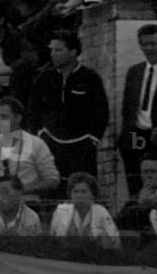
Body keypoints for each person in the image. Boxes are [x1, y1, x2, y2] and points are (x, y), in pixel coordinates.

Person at [27, 30, 109, 190]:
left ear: (73, 52)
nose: (52, 54)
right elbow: (33, 111)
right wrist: (39, 134)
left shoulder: (90, 78)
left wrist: (92, 139)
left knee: (83, 190)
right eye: (51, 50)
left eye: (58, 50)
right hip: (50, 144)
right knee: (51, 192)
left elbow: (101, 112)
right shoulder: (44, 78)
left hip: (82, 147)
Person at [120, 24, 157, 195]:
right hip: (137, 135)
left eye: (153, 44)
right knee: (136, 181)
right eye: (144, 44)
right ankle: (139, 213)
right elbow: (127, 107)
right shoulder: (134, 72)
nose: (149, 48)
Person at [0, 96, 60, 199]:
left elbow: (52, 180)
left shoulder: (37, 144)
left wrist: (21, 190)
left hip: (27, 204)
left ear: (18, 118)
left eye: (4, 117)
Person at [48, 172, 121, 249]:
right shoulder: (61, 210)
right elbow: (53, 238)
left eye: (84, 192)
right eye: (76, 192)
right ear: (70, 194)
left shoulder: (101, 212)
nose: (79, 196)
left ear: (92, 194)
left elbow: (114, 241)